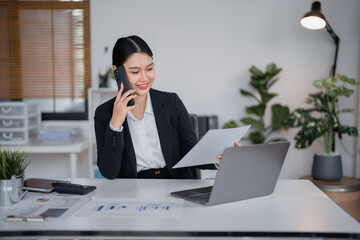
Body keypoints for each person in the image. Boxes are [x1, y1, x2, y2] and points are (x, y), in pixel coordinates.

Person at [94, 35, 215, 179]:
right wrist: (115, 124)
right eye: (135, 72)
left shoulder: (171, 102)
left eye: (149, 68)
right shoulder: (104, 113)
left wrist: (219, 156)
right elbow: (109, 172)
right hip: (133, 190)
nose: (145, 78)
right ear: (117, 72)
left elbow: (192, 152)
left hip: (175, 185)